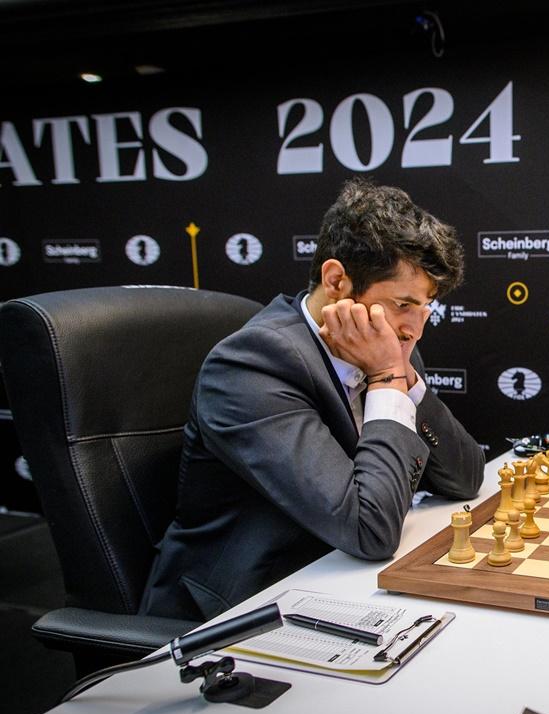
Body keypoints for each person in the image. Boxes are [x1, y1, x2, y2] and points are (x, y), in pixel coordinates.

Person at [141, 179, 485, 621]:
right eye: (403, 304)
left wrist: (404, 377)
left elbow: (466, 476)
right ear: (337, 280)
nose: (416, 329)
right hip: (241, 613)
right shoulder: (252, 366)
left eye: (426, 307)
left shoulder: (390, 342)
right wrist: (384, 378)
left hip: (337, 579)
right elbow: (370, 530)